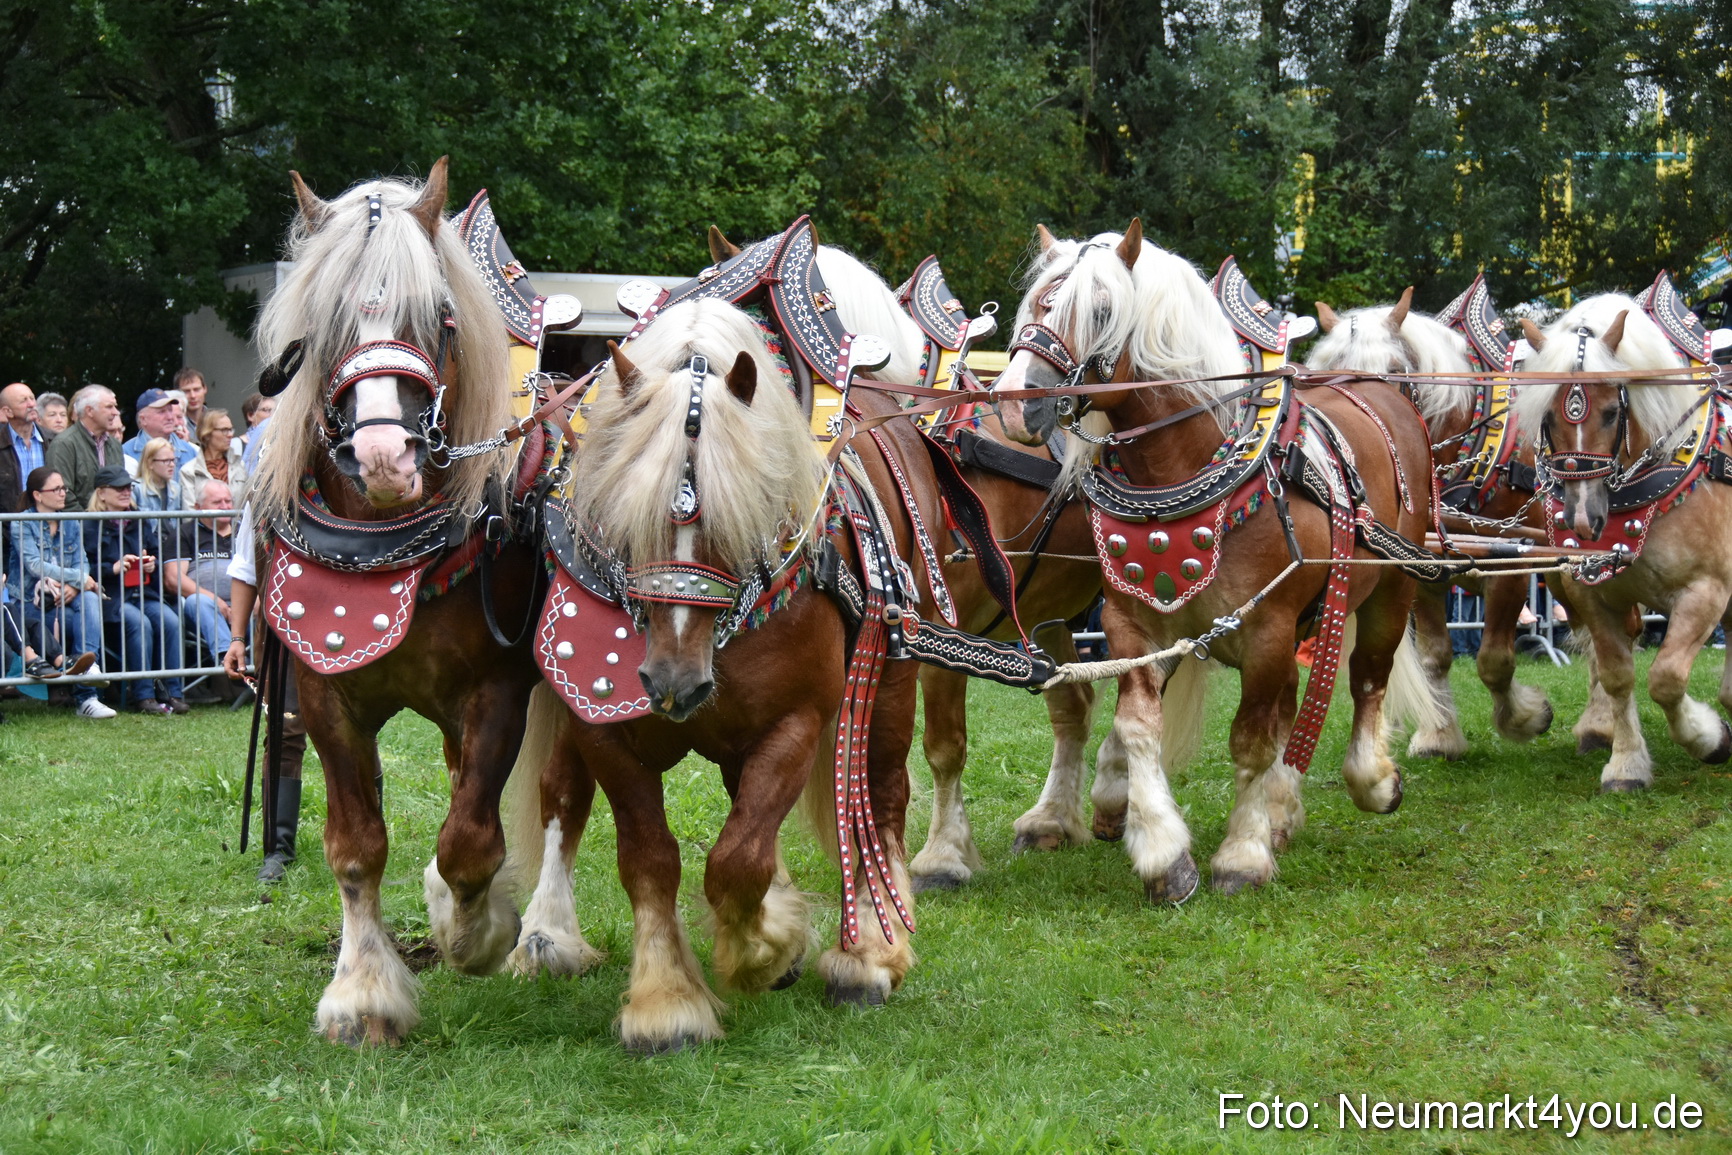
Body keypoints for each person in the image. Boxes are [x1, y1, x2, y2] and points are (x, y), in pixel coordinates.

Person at [222, 502, 312, 882]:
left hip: (346, 624)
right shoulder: (266, 492)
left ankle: (365, 830)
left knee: (354, 728)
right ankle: (278, 848)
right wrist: (238, 637)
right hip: (284, 627)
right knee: (283, 730)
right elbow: (246, 566)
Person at [12, 467, 113, 718]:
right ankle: (87, 694)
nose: (63, 494)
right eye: (56, 489)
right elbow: (34, 565)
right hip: (33, 604)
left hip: (71, 598)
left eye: (64, 488)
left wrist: (75, 585)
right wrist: (79, 578)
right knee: (78, 618)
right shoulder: (21, 522)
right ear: (38, 495)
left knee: (89, 598)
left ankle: (88, 685)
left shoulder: (70, 521)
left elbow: (83, 561)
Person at [85, 465, 185, 715]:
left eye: (128, 487)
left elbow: (155, 552)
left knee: (170, 621)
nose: (125, 492)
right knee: (139, 623)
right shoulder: (89, 525)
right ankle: (143, 696)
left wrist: (152, 563)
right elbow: (83, 567)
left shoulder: (140, 520)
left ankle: (173, 692)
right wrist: (113, 568)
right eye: (119, 488)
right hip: (110, 598)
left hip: (144, 593)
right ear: (101, 493)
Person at [165, 477, 236, 663]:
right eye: (217, 502)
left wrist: (253, 602)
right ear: (198, 507)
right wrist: (216, 601)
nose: (224, 506)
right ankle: (228, 657)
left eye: (228, 501)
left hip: (245, 608)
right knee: (197, 601)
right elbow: (173, 578)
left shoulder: (243, 531)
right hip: (203, 609)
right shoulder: (185, 532)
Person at [44, 385, 123, 510]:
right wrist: (87, 523)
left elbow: (121, 486)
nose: (116, 412)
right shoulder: (64, 444)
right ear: (89, 411)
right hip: (79, 526)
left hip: (111, 525)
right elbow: (63, 495)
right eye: (109, 407)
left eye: (115, 406)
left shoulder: (114, 444)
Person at [177, 409, 247, 509]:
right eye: (224, 430)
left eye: (231, 429)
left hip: (237, 524)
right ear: (207, 433)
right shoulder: (189, 471)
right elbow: (190, 513)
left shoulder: (240, 465)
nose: (230, 434)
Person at [122, 389, 197, 479]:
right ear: (143, 419)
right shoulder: (126, 453)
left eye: (170, 410)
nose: (170, 417)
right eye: (161, 412)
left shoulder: (190, 451)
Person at [0, 383, 47, 512]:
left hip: (48, 522)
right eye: (23, 401)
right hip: (7, 525)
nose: (31, 404)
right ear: (7, 411)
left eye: (32, 398)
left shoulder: (53, 440)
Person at [132, 437, 182, 512]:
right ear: (150, 463)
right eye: (166, 461)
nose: (172, 465)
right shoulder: (136, 489)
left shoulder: (176, 488)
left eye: (173, 460)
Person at [175, 368, 209, 437]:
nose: (193, 396)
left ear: (205, 389)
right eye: (186, 391)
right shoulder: (173, 424)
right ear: (177, 393)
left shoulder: (217, 421)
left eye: (196, 390)